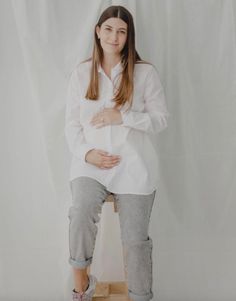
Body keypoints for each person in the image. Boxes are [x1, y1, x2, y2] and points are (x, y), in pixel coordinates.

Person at [65, 5, 170, 301]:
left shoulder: (145, 73)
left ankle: (140, 297)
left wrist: (121, 116)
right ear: (98, 32)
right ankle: (81, 288)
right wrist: (87, 154)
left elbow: (161, 119)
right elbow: (71, 125)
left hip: (133, 167)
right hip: (91, 166)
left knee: (136, 241)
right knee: (81, 211)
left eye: (122, 32)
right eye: (109, 29)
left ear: (128, 37)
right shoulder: (81, 73)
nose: (114, 37)